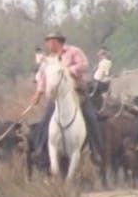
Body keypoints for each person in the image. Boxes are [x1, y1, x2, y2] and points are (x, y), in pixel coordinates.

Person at [30, 32, 104, 163]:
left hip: (77, 92)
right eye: (47, 41)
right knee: (44, 120)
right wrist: (38, 94)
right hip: (57, 96)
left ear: (58, 42)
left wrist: (67, 70)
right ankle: (40, 149)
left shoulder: (74, 51)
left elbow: (84, 65)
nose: (49, 44)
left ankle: (96, 151)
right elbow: (43, 77)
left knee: (91, 118)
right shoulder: (48, 59)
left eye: (51, 41)